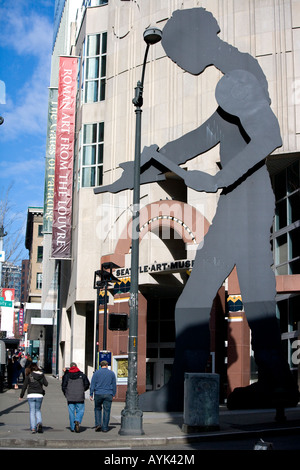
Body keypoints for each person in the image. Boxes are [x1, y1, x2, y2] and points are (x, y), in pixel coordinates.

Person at [97, 8, 299, 411]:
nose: (174, 60)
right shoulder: (235, 76)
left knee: (193, 301)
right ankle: (277, 383)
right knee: (258, 297)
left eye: (173, 52)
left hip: (243, 195)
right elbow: (196, 140)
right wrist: (135, 173)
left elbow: (270, 135)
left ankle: (182, 390)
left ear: (194, 40)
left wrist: (223, 178)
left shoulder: (238, 77)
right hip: (247, 197)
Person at [19, 363, 48, 433]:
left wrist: (21, 396)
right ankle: (39, 423)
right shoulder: (41, 375)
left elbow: (24, 387)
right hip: (39, 395)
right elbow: (46, 384)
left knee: (32, 411)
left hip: (31, 395)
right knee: (38, 410)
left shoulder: (29, 376)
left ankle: (33, 428)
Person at [61, 362, 90, 433]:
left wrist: (66, 393)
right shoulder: (82, 375)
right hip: (79, 396)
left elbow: (63, 386)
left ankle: (72, 427)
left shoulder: (67, 375)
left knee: (71, 412)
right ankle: (77, 420)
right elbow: (87, 384)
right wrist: (82, 390)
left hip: (70, 396)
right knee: (80, 410)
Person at [90, 361, 116, 432]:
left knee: (97, 409)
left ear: (100, 365)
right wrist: (114, 394)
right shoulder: (111, 373)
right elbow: (114, 384)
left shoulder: (96, 373)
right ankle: (105, 427)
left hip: (98, 393)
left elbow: (93, 384)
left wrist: (91, 394)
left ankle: (98, 424)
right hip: (108, 393)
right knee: (106, 410)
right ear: (107, 365)